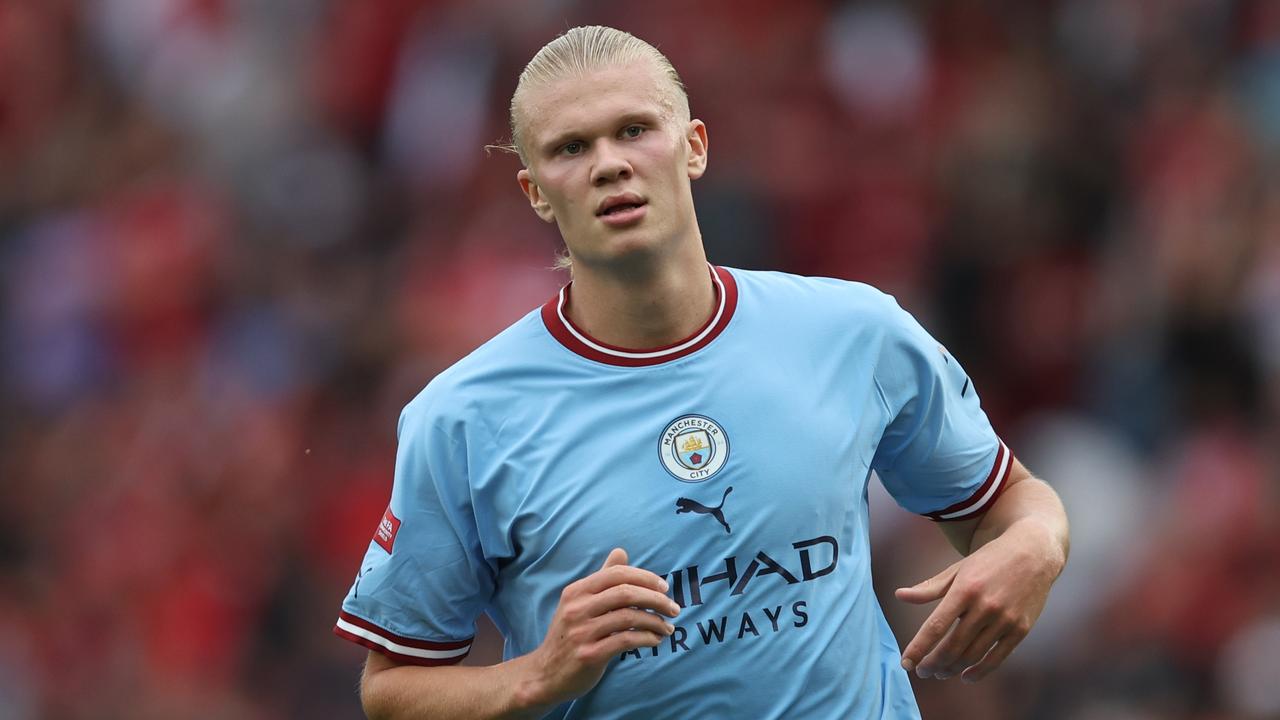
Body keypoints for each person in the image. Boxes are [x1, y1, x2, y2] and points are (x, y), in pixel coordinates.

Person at [334, 25, 1070, 719]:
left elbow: (1010, 502)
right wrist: (536, 676)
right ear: (534, 191)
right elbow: (392, 690)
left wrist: (1034, 546)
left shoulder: (853, 331)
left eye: (634, 130)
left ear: (694, 147)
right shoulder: (463, 417)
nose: (610, 164)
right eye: (570, 147)